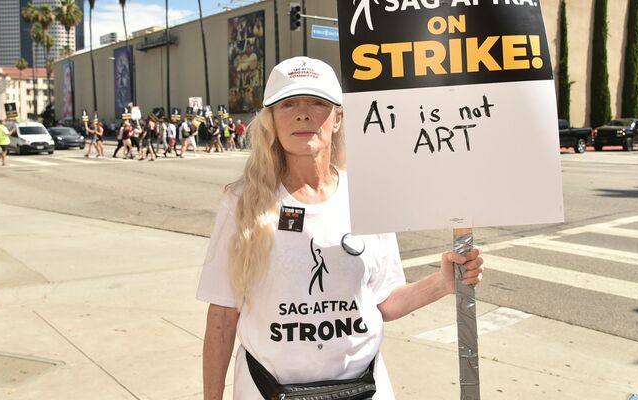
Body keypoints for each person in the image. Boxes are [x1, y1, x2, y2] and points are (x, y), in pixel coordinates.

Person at [197, 56, 484, 400]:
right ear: (271, 119)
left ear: (338, 117)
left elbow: (385, 302)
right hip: (266, 390)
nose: (302, 113)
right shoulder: (241, 202)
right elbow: (222, 317)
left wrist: (442, 283)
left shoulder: (366, 196)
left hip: (364, 388)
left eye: (317, 103)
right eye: (288, 104)